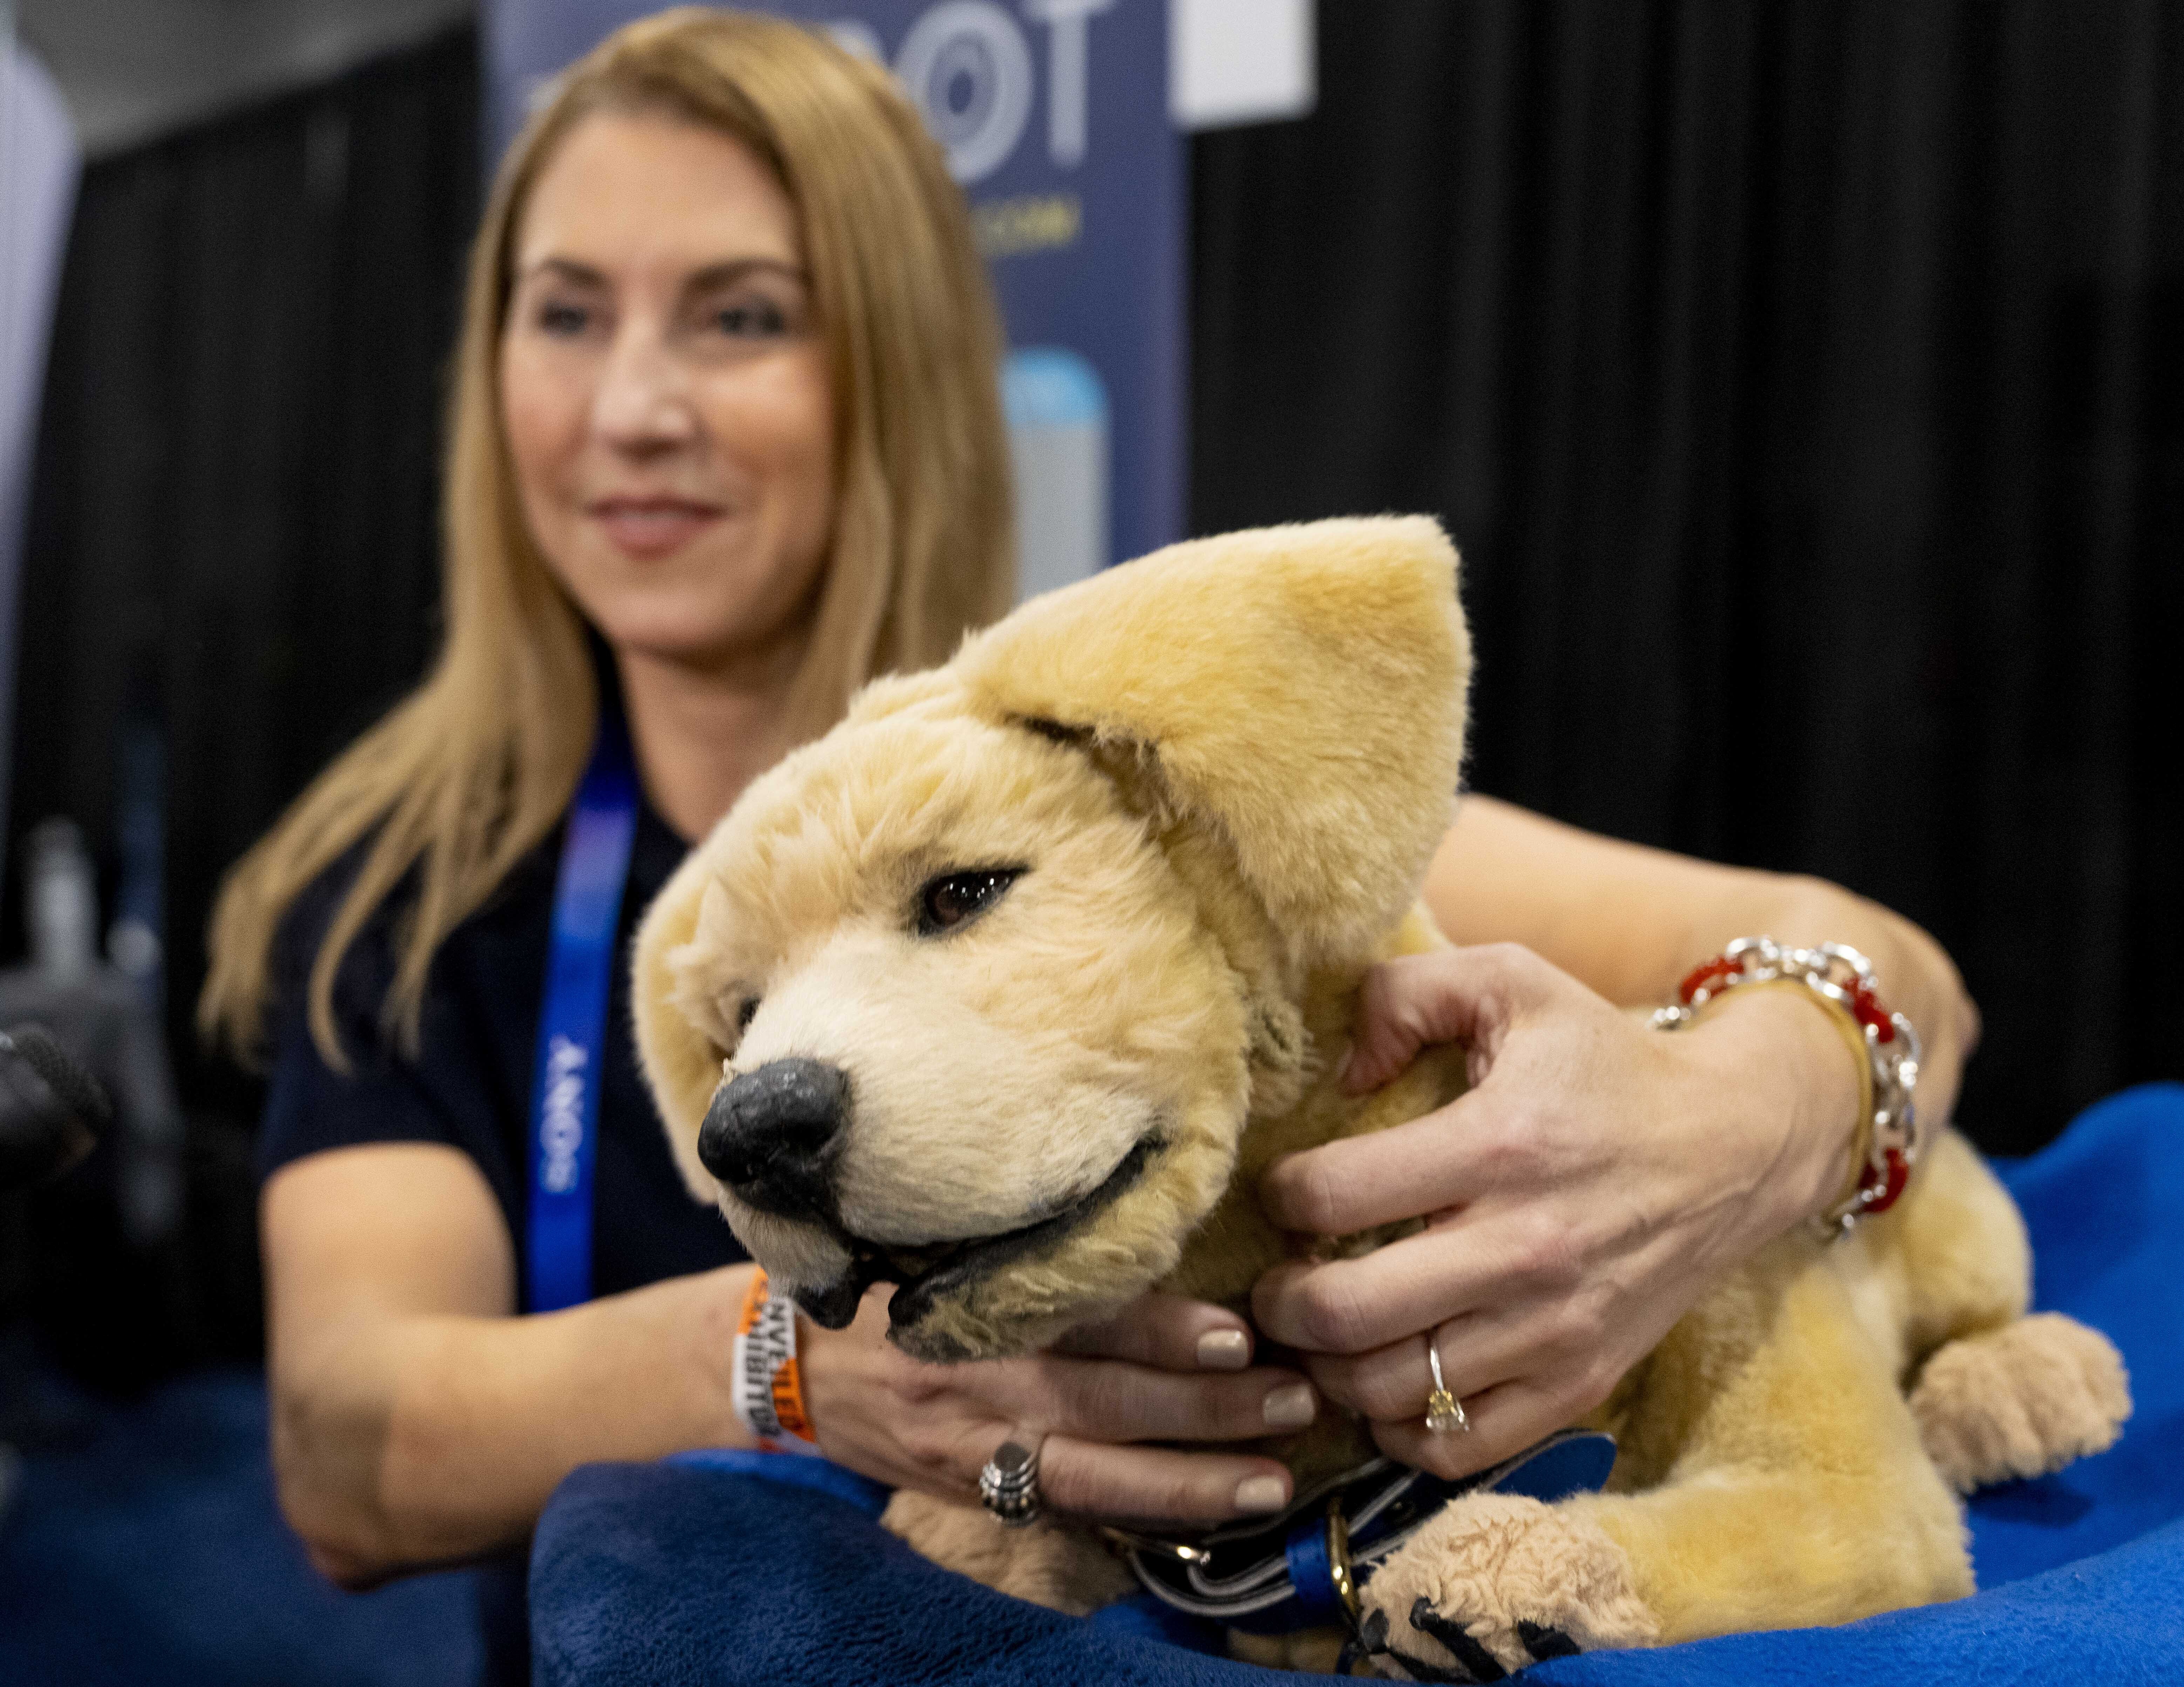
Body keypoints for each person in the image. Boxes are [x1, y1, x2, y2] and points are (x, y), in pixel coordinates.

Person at [197, 10, 1976, 1679]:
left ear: (887, 367)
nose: (631, 406)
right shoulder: (403, 893)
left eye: (740, 316)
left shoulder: (1119, 792)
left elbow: (1873, 959)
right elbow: (344, 1453)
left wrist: (1720, 1136)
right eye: (564, 313)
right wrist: (797, 1368)